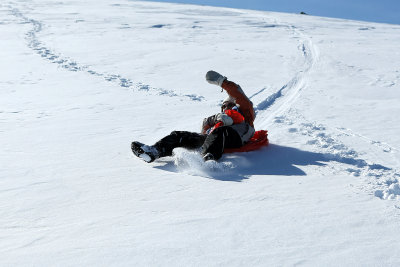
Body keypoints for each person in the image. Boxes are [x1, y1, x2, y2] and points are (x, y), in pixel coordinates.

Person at [131, 70, 256, 162]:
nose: (225, 107)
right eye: (223, 106)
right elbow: (205, 124)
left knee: (220, 131)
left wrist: (222, 82)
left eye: (228, 104)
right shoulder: (220, 117)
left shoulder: (245, 113)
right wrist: (217, 118)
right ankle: (154, 151)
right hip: (212, 139)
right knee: (178, 135)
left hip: (237, 137)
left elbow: (238, 93)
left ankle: (208, 159)